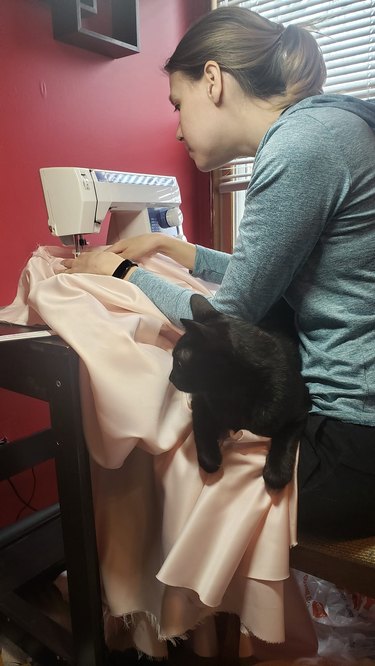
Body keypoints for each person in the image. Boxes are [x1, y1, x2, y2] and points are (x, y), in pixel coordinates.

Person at [63, 6, 375, 539]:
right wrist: (176, 249)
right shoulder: (336, 127)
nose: (178, 130)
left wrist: (119, 271)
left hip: (351, 450)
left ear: (213, 80)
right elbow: (287, 274)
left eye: (178, 105)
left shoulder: (301, 147)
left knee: (175, 469)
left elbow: (227, 317)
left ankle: (159, 612)